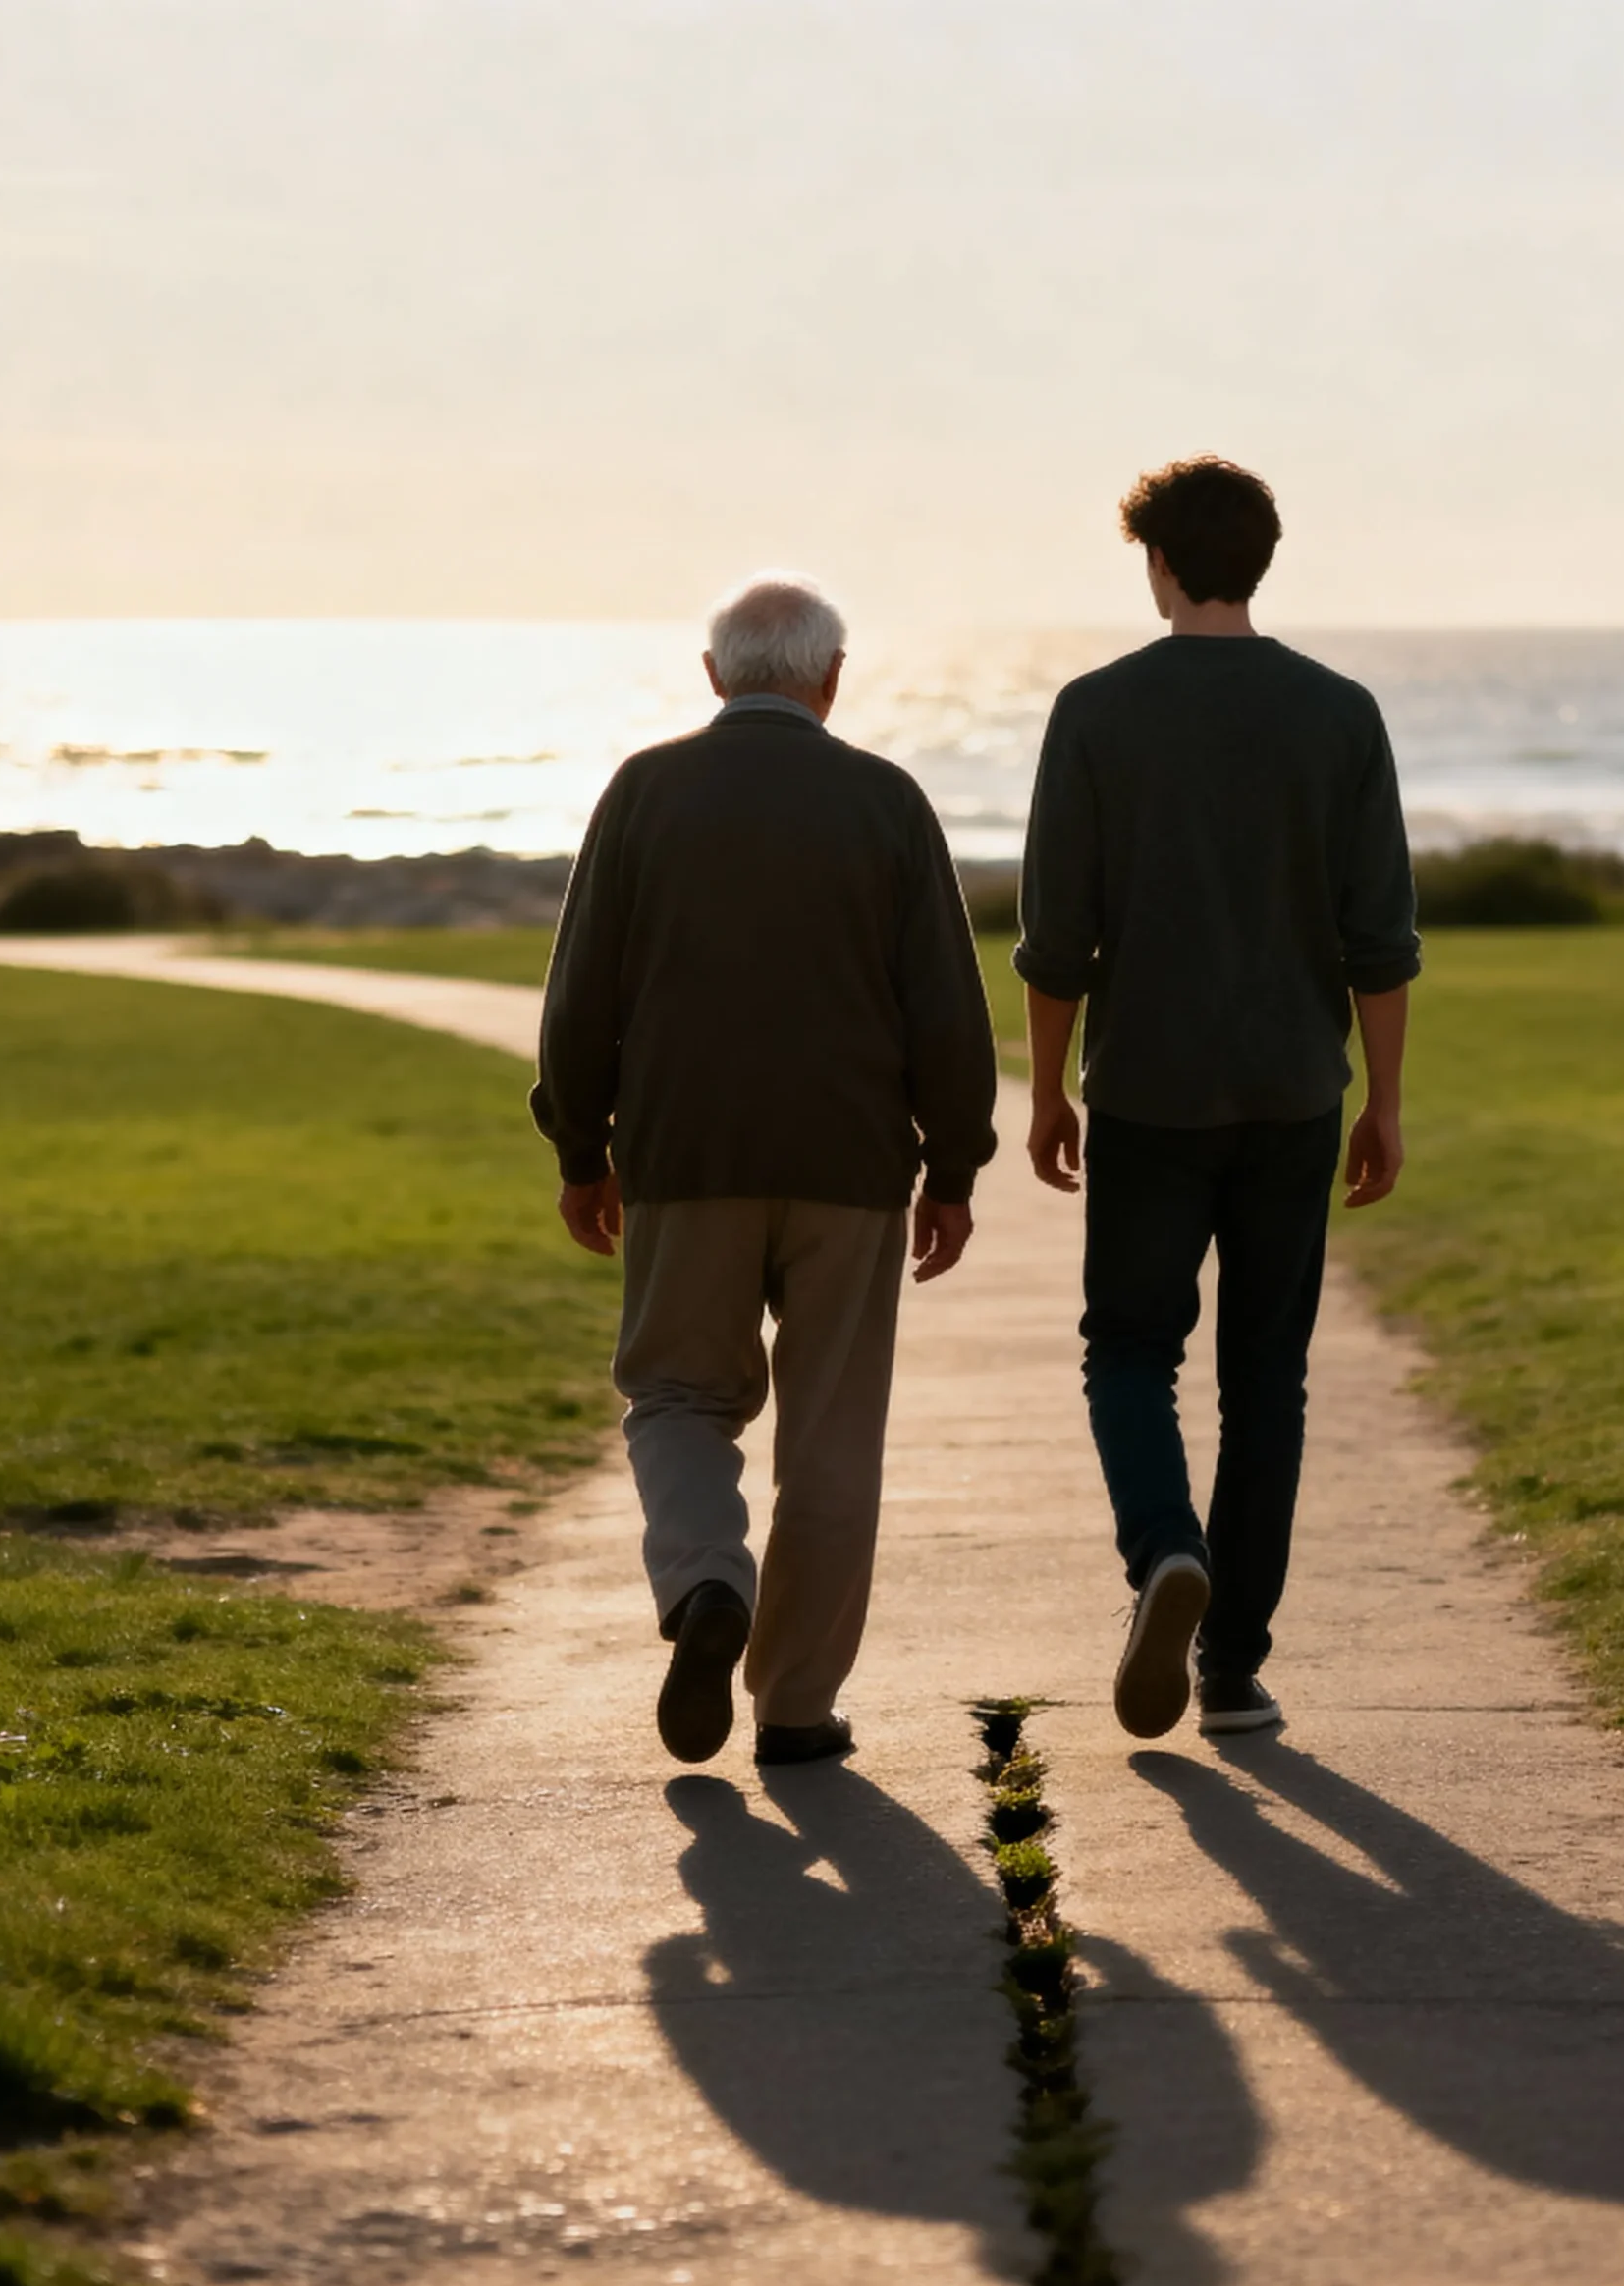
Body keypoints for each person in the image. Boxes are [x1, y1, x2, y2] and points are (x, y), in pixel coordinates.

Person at [533, 575, 998, 1768]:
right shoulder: (886, 799)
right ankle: (794, 1707)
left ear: (711, 674)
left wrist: (580, 1144)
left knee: (679, 1396)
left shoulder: (644, 790)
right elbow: (945, 1004)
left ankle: (704, 1586)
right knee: (833, 1438)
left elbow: (580, 992)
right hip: (849, 1166)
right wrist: (952, 1166)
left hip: (686, 1155)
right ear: (831, 678)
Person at [1013, 457, 1419, 1741]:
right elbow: (1382, 940)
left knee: (1130, 1351)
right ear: (1261, 558)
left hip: (1145, 1092)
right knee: (1267, 1382)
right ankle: (1232, 1666)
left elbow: (1054, 936)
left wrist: (1046, 1093)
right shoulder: (1342, 715)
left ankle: (1163, 1557)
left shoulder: (1095, 712)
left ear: (1164, 565)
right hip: (1296, 1093)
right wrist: (1385, 1104)